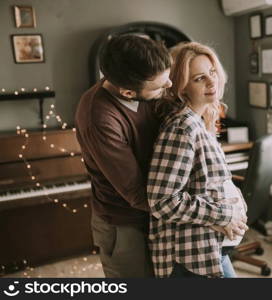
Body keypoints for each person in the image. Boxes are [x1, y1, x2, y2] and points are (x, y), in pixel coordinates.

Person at [147, 42, 248, 278]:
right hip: (191, 259)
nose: (212, 82)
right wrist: (223, 215)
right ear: (181, 88)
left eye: (212, 72)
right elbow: (163, 201)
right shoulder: (182, 128)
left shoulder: (200, 120)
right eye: (199, 78)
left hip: (210, 250)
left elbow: (207, 184)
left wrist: (236, 205)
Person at [74, 34, 172, 278]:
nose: (169, 85)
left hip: (157, 211)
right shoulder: (99, 118)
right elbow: (136, 193)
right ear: (128, 93)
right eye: (160, 86)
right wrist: (198, 212)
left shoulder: (146, 87)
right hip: (124, 224)